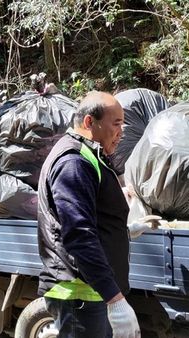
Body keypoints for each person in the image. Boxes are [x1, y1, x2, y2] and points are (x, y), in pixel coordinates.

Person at [38, 91, 149, 337]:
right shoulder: (74, 163)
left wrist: (124, 231)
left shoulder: (89, 155)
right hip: (81, 294)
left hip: (91, 292)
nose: (122, 132)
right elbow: (78, 234)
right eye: (116, 124)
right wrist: (115, 299)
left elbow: (90, 218)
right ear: (90, 122)